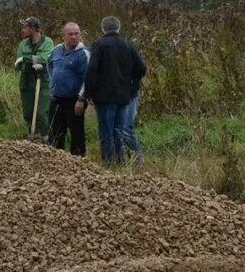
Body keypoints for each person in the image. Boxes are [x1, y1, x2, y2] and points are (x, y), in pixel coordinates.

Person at [83, 16, 146, 165]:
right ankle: (121, 162)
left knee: (106, 130)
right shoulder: (128, 45)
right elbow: (141, 68)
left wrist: (88, 93)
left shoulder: (99, 45)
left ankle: (108, 163)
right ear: (118, 28)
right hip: (123, 95)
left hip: (104, 96)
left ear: (103, 28)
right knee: (118, 130)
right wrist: (130, 84)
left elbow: (91, 69)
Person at [46, 21, 89, 156]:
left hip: (74, 100)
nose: (74, 37)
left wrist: (81, 99)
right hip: (57, 98)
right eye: (70, 34)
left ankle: (78, 161)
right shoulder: (56, 50)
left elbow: (88, 79)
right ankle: (57, 160)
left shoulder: (83, 53)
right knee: (56, 132)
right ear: (63, 35)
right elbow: (49, 64)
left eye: (77, 34)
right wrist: (54, 82)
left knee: (76, 133)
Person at [13, 17, 54, 138]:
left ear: (33, 29)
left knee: (42, 113)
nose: (22, 30)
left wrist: (27, 59)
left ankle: (47, 138)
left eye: (25, 27)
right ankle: (33, 138)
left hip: (43, 80)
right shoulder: (23, 44)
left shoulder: (47, 42)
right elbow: (18, 63)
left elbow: (45, 58)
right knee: (28, 112)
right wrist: (25, 61)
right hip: (26, 81)